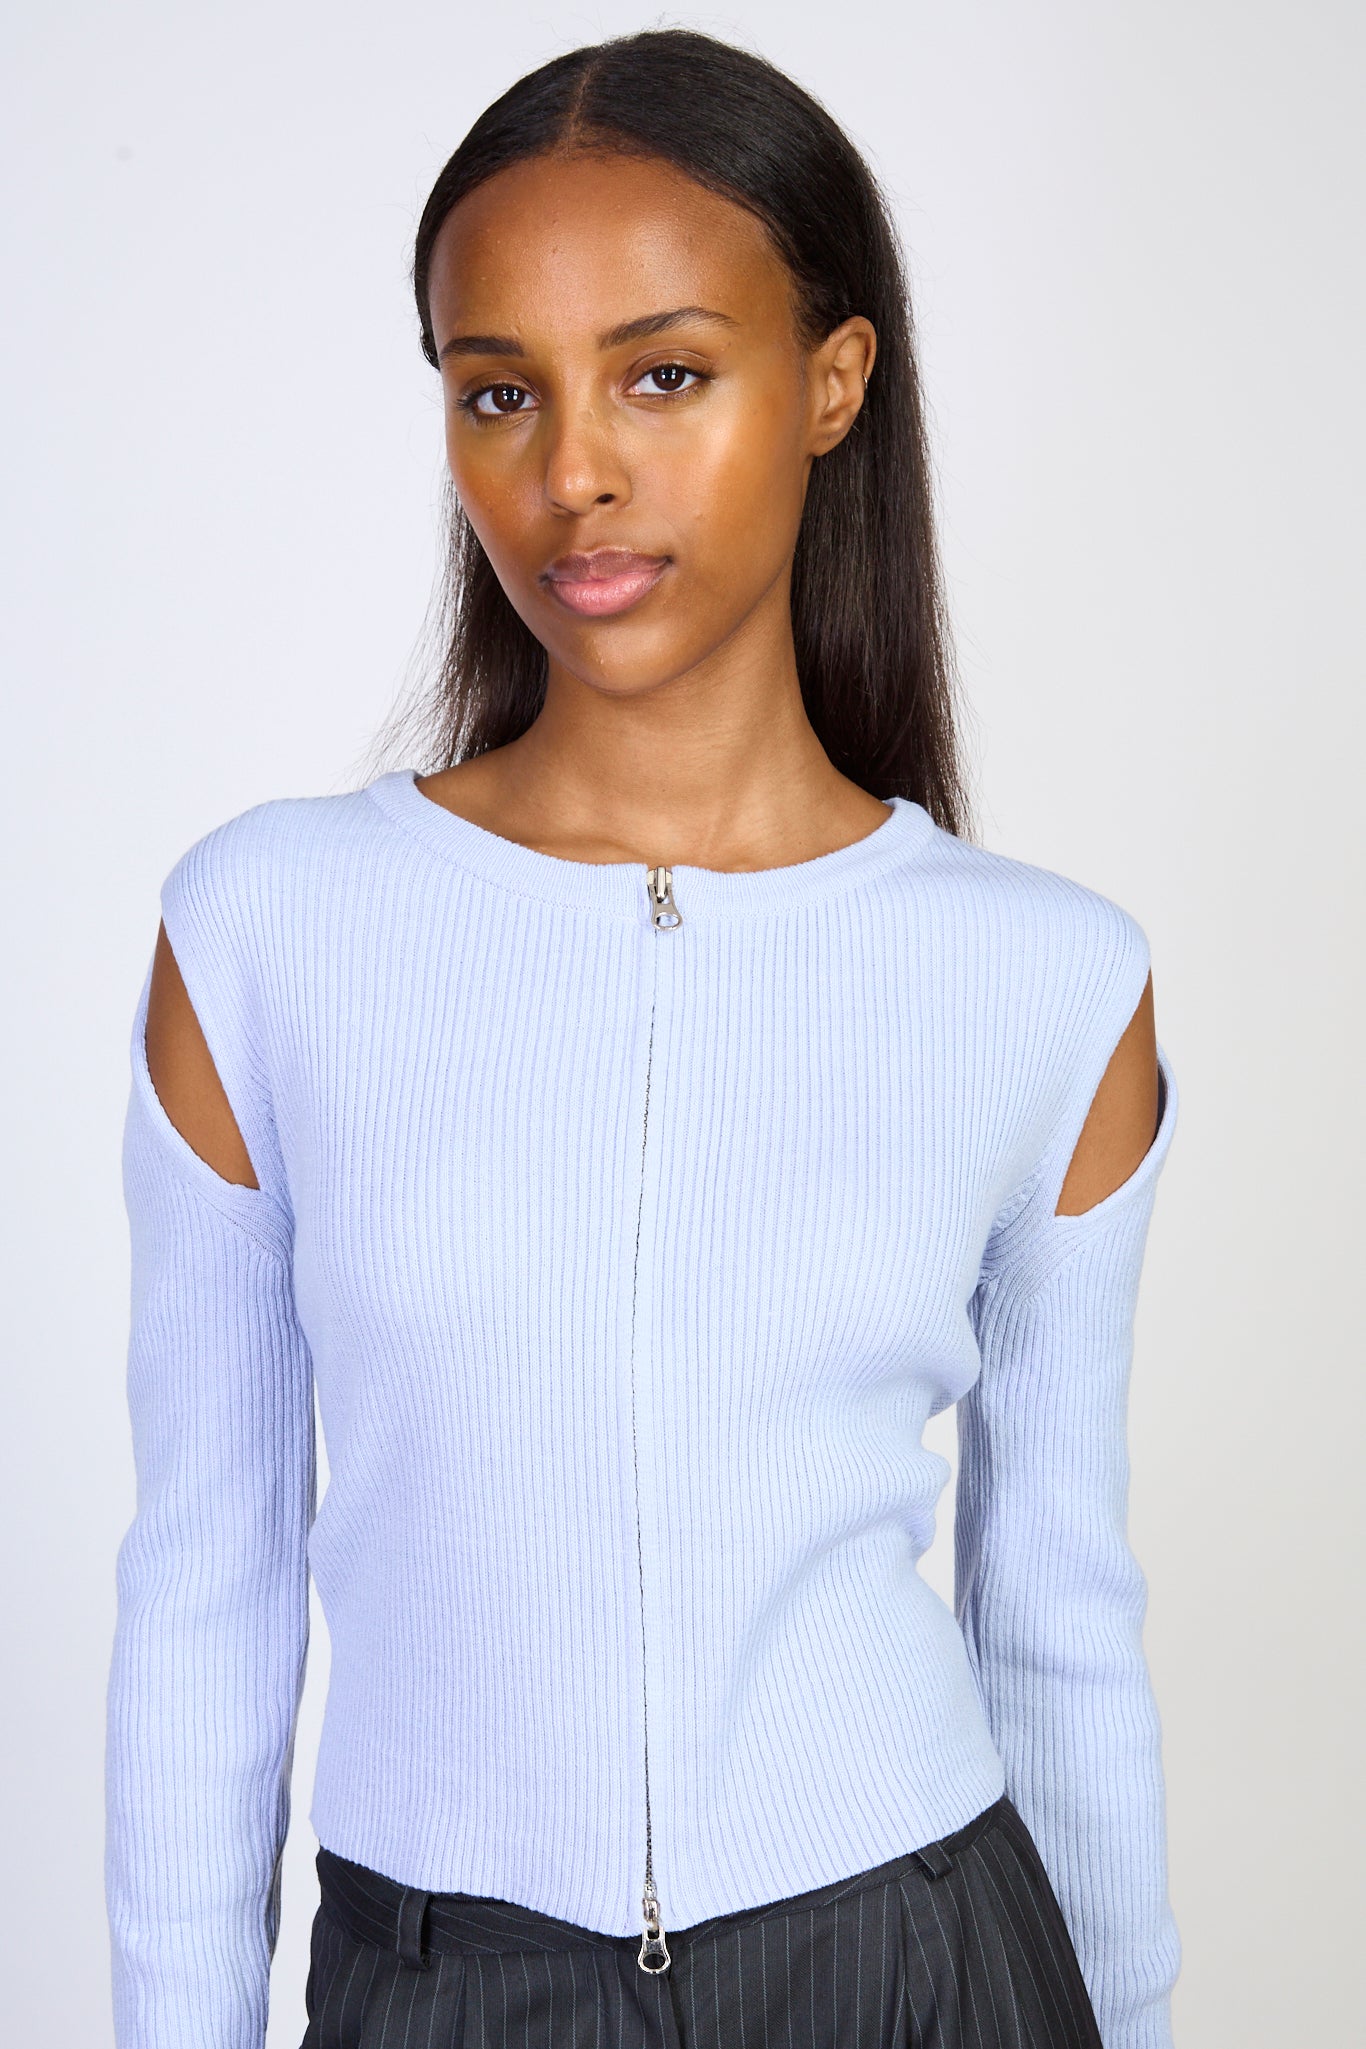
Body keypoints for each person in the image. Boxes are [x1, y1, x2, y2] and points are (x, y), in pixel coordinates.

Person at [104, 27, 1182, 2049]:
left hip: (917, 1966)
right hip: (443, 1981)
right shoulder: (263, 933)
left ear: (832, 383)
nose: (571, 471)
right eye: (497, 389)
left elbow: (1056, 1613)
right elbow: (203, 1587)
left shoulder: (1044, 979)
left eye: (662, 374)